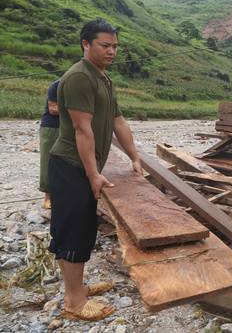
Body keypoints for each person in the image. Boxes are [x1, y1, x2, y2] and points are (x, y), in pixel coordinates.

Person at [48, 18, 142, 321]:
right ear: (85, 44)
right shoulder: (78, 77)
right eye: (105, 45)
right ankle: (73, 302)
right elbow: (81, 130)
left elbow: (119, 121)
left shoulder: (102, 77)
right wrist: (92, 174)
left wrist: (134, 157)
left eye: (115, 46)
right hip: (70, 165)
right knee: (73, 231)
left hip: (83, 166)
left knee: (84, 229)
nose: (112, 51)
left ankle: (79, 289)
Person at [38, 79, 60, 209]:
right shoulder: (57, 85)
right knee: (48, 161)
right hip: (52, 127)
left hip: (71, 127)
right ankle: (48, 197)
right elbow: (53, 109)